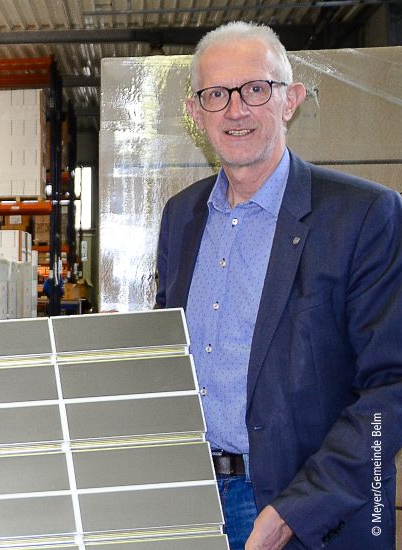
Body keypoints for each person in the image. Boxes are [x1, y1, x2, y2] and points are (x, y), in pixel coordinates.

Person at [155, 21, 401, 549]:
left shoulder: (363, 215)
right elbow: (167, 357)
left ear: (290, 100)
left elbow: (391, 385)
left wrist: (298, 509)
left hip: (302, 507)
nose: (235, 110)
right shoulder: (181, 216)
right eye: (216, 94)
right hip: (193, 496)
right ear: (196, 112)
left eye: (255, 89)